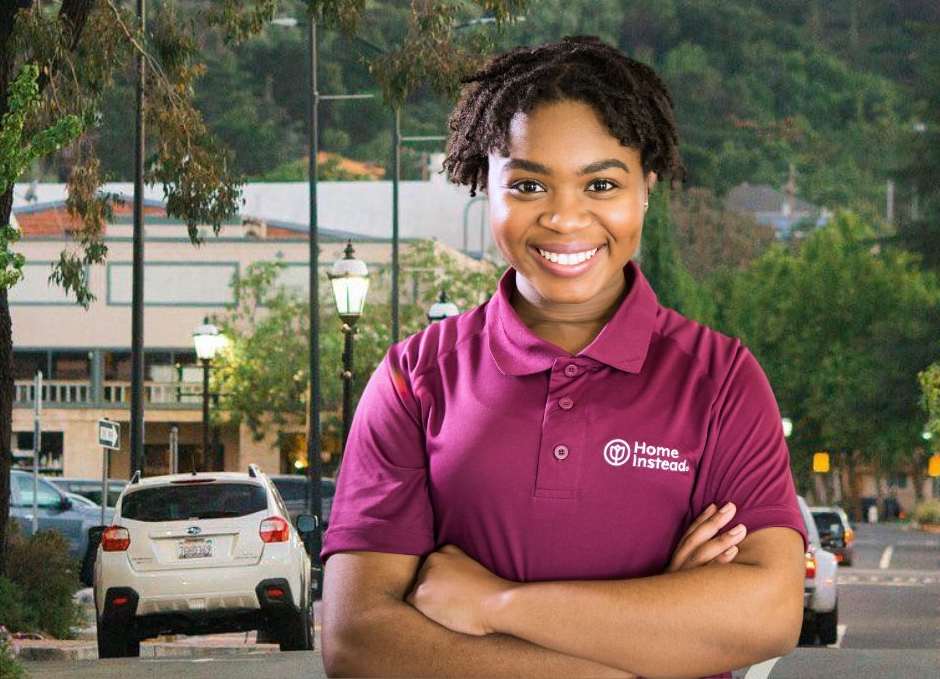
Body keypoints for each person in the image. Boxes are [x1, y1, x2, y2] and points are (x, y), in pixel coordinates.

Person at [320, 36, 806, 678]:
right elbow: (359, 643)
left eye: (601, 183)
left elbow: (768, 612)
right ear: (483, 186)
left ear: (647, 187)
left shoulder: (720, 380)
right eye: (527, 185)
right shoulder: (416, 378)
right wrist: (659, 638)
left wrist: (495, 604)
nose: (565, 219)